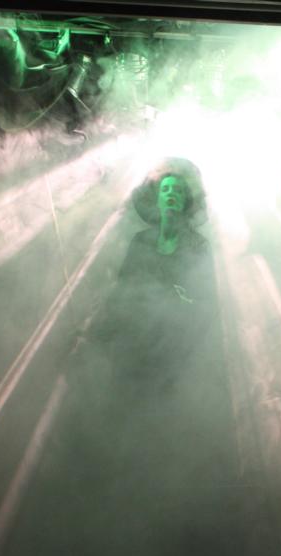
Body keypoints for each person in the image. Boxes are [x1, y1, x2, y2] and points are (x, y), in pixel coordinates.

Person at [91, 158, 219, 391]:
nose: (171, 194)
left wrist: (180, 300)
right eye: (165, 189)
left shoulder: (198, 246)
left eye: (178, 190)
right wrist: (97, 333)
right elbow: (120, 291)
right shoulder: (140, 240)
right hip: (132, 349)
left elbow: (207, 304)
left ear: (186, 201)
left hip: (174, 355)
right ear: (157, 199)